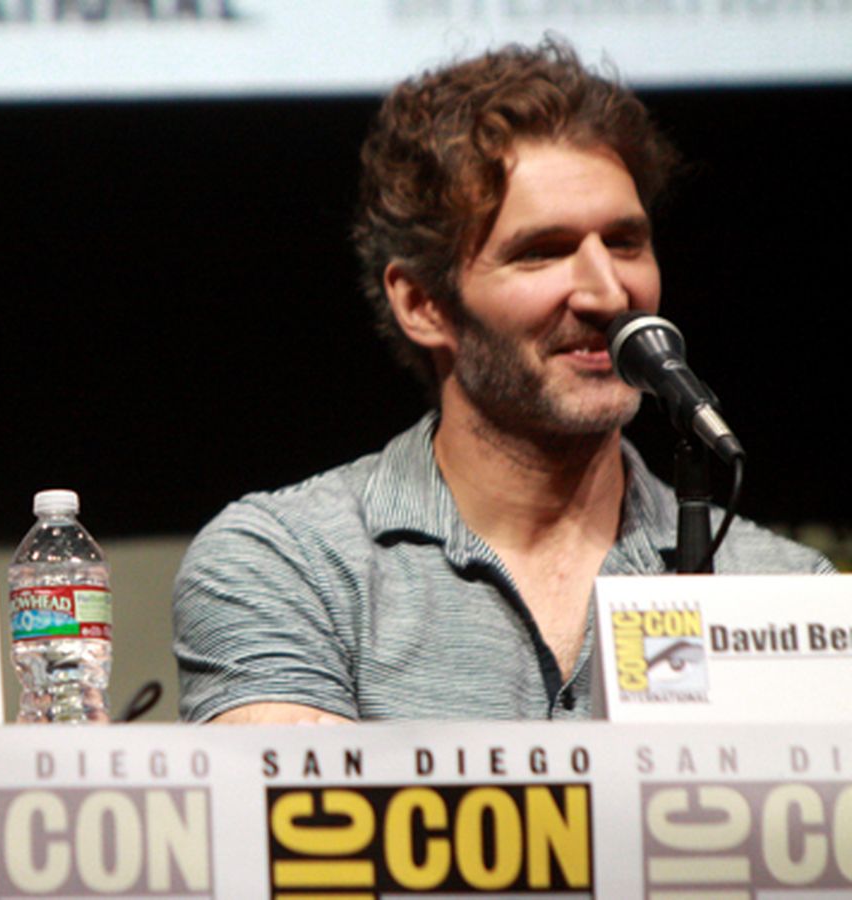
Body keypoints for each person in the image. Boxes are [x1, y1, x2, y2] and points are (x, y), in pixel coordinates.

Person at [172, 39, 833, 724]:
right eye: (542, 252)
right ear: (423, 304)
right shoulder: (291, 564)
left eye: (625, 242)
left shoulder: (784, 589)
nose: (609, 294)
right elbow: (305, 827)